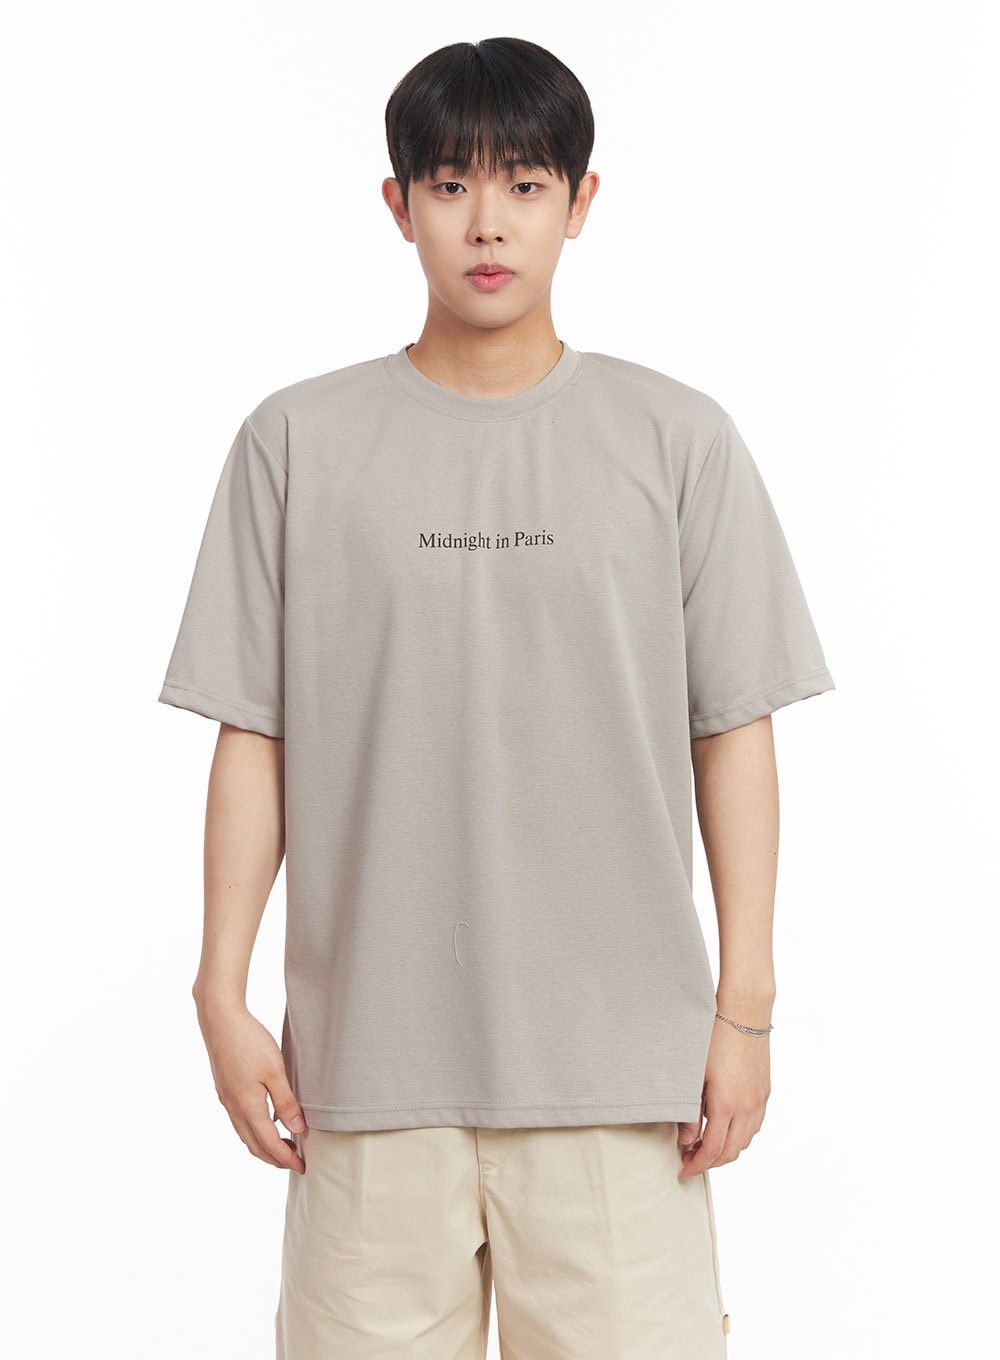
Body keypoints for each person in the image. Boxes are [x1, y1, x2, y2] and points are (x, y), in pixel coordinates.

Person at [157, 35, 835, 1360]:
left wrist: (744, 1010)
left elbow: (734, 732)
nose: (487, 223)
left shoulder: (677, 441)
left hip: (620, 1082)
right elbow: (255, 734)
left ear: (581, 203)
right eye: (452, 183)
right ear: (398, 203)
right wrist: (218, 991)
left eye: (525, 184)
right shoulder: (294, 444)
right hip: (364, 1080)